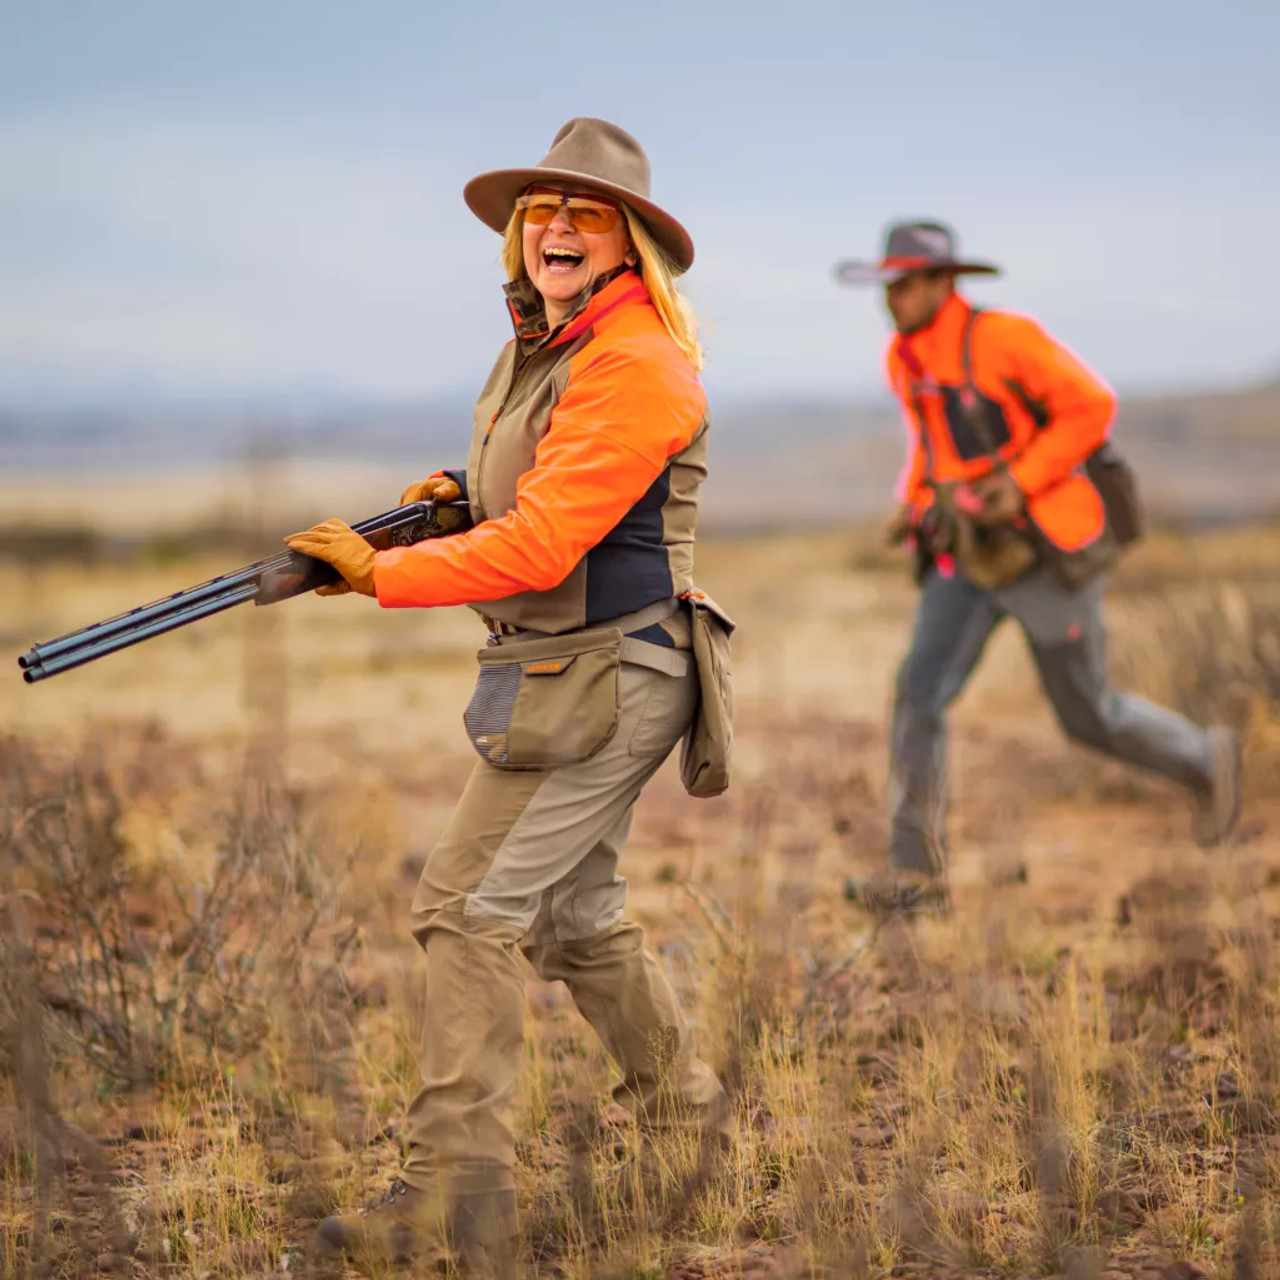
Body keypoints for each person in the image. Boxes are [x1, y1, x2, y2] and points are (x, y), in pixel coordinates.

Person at [285, 117, 732, 1270]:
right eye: (540, 211)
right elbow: (530, 498)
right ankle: (687, 1122)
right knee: (574, 917)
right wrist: (452, 498)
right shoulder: (548, 349)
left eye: (584, 212)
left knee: (462, 909)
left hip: (605, 676)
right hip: (576, 671)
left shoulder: (631, 360)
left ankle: (453, 1195)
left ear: (628, 239)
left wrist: (385, 572)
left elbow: (541, 547)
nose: (555, 228)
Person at [833, 220, 1242, 914]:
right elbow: (931, 447)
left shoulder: (1005, 338)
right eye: (887, 285)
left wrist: (1022, 481)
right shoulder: (904, 359)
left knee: (1088, 716)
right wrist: (911, 502)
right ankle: (918, 875)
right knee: (918, 692)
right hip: (965, 554)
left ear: (943, 281)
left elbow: (1092, 405)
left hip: (1046, 554)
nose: (891, 298)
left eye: (903, 284)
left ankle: (1207, 760)